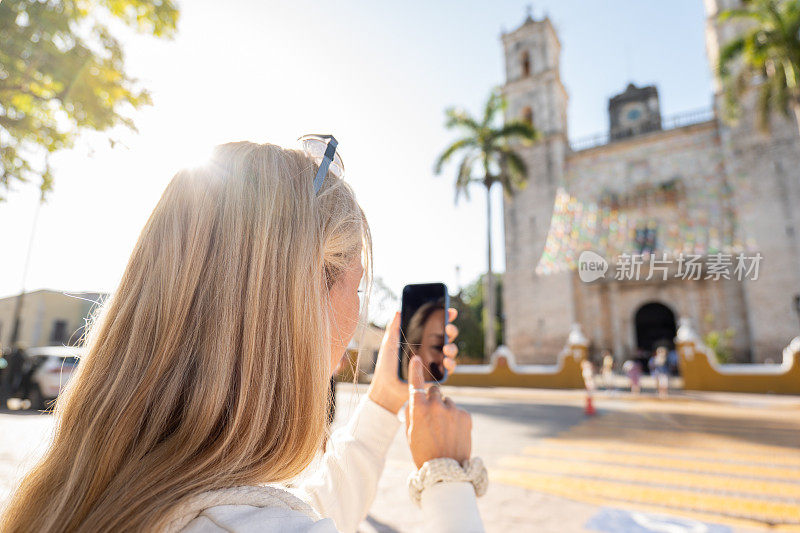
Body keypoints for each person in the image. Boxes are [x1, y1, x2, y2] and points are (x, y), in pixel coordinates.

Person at [1, 141, 486, 532]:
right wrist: (448, 478)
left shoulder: (80, 488)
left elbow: (309, 511)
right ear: (301, 303)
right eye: (355, 287)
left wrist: (383, 401)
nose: (358, 313)